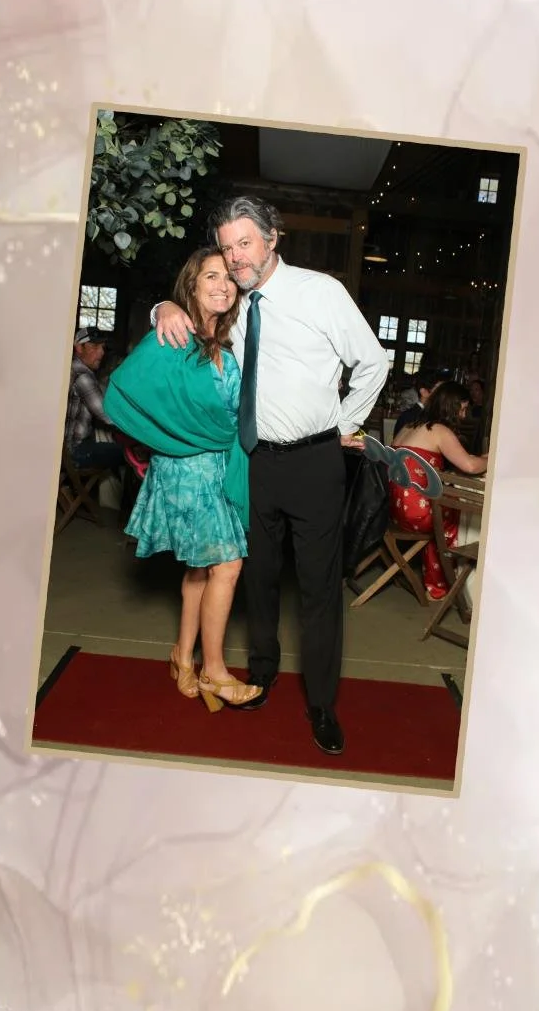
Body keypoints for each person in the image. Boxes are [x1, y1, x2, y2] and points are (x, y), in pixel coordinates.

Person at [154, 195, 389, 755]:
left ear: (272, 239)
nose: (236, 257)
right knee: (256, 578)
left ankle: (322, 704)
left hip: (315, 461)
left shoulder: (320, 292)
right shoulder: (232, 302)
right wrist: (162, 305)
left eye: (245, 243)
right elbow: (191, 313)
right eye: (228, 246)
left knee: (317, 588)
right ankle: (259, 675)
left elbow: (373, 362)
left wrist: (344, 424)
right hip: (251, 461)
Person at [105, 248, 260, 711]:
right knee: (227, 567)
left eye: (228, 278)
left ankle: (181, 656)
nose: (222, 285)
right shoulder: (172, 333)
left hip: (221, 467)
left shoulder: (227, 341)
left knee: (201, 568)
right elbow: (121, 393)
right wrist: (164, 438)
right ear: (191, 285)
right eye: (210, 276)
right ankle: (214, 670)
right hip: (187, 470)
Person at [389, 380, 487, 599]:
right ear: (451, 407)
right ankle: (447, 585)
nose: (463, 416)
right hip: (417, 515)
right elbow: (470, 466)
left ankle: (447, 579)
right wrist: (489, 459)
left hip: (395, 512)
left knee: (447, 501)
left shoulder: (410, 425)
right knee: (462, 509)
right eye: (462, 409)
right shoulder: (438, 430)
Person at [67, 328, 125, 469]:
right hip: (75, 451)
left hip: (69, 446)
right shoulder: (83, 375)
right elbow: (108, 415)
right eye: (94, 346)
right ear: (79, 347)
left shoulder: (72, 367)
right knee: (128, 454)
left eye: (102, 347)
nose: (101, 352)